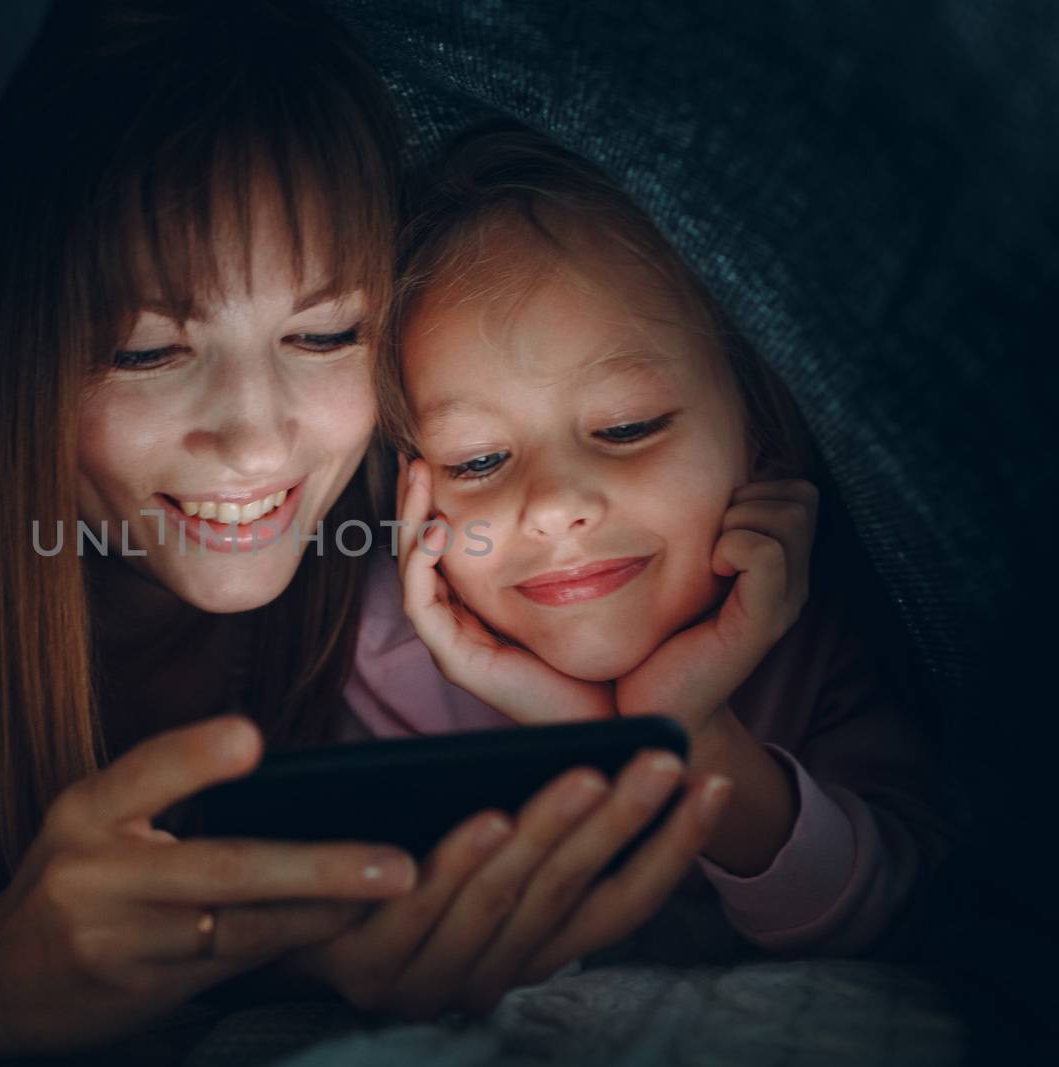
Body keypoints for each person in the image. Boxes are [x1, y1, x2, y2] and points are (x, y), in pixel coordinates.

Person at [0, 7, 729, 1060]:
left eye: (322, 336)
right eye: (147, 349)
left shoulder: (415, 500)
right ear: (11, 362)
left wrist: (336, 955)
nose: (257, 443)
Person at [351, 123, 954, 961]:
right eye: (478, 459)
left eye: (628, 426)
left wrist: (692, 733)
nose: (554, 505)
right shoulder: (383, 667)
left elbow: (890, 909)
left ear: (762, 439)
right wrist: (578, 734)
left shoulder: (828, 639)